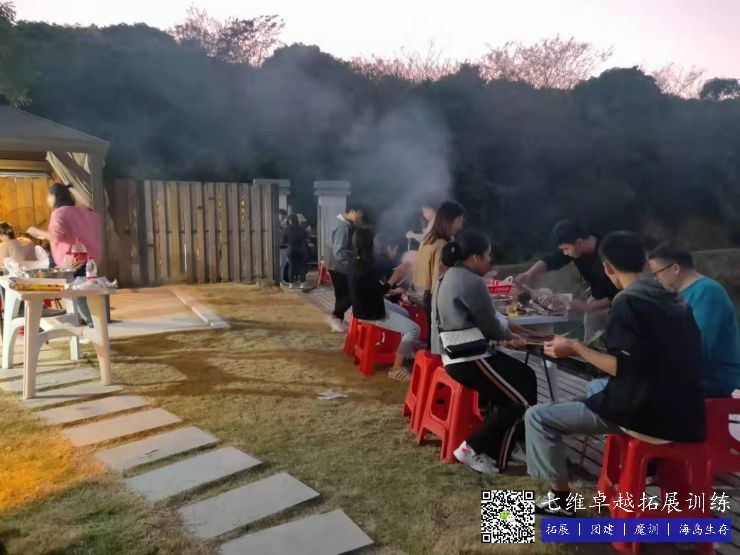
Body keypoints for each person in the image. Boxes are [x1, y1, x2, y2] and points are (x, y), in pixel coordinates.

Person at [524, 231, 706, 517]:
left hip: (647, 415)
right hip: (687, 413)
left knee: (537, 416)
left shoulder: (627, 301)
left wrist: (575, 347)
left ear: (607, 267)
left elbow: (621, 367)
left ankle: (560, 501)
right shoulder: (675, 299)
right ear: (644, 263)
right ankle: (629, 471)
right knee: (595, 387)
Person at [432, 228, 537, 475]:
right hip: (468, 357)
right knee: (519, 401)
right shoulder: (471, 281)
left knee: (526, 375)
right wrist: (512, 338)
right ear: (475, 257)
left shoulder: (449, 275)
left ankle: (512, 443)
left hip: (461, 353)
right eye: (488, 256)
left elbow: (487, 318)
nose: (490, 261)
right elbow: (489, 325)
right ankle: (471, 448)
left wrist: (511, 330)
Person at [647, 243, 740, 397]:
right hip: (693, 375)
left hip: (717, 378)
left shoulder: (708, 292)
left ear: (675, 268)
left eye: (657, 274)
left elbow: (701, 345)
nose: (656, 279)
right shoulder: (677, 296)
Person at [515, 220, 619, 343]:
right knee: (593, 341)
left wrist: (589, 307)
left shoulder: (611, 249)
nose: (565, 253)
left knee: (617, 341)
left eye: (566, 249)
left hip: (622, 301)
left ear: (579, 242)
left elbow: (620, 289)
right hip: (598, 299)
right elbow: (553, 260)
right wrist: (529, 274)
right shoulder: (577, 247)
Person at [348, 227, 420, 381]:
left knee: (405, 313)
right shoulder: (365, 268)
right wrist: (396, 276)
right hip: (371, 311)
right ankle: (396, 369)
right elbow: (379, 291)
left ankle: (404, 351)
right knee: (414, 329)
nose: (376, 244)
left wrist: (392, 283)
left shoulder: (356, 262)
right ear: (368, 243)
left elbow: (371, 288)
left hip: (365, 306)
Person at [27, 183, 102, 326]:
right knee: (80, 295)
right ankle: (89, 323)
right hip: (88, 259)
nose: (47, 199)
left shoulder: (59, 213)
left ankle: (90, 324)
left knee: (73, 295)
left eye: (48, 195)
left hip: (72, 260)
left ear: (54, 197)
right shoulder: (80, 211)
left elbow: (58, 236)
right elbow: (91, 214)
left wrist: (37, 232)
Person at [414, 201, 464, 343]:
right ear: (450, 220)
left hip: (427, 294)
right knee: (441, 340)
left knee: (433, 338)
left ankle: (431, 356)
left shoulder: (429, 239)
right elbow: (440, 278)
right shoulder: (442, 244)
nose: (461, 225)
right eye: (459, 220)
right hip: (438, 297)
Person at [325, 205, 364, 332]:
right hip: (339, 266)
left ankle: (337, 322)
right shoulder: (342, 227)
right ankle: (335, 317)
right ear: (352, 211)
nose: (359, 219)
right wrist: (354, 260)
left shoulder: (341, 223)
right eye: (359, 215)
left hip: (335, 265)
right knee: (352, 294)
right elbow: (339, 252)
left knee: (341, 295)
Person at [282, 214, 310, 288]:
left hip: (291, 250)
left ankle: (291, 283)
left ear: (290, 221)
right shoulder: (302, 228)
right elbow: (307, 237)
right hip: (301, 249)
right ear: (297, 220)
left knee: (291, 265)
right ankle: (302, 283)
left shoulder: (287, 229)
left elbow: (284, 241)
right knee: (302, 266)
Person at [278, 209, 289, 285]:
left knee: (283, 263)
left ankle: (281, 279)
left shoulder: (283, 225)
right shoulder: (277, 225)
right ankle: (279, 279)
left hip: (284, 246)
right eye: (283, 216)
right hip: (280, 246)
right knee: (281, 263)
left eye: (285, 216)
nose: (284, 218)